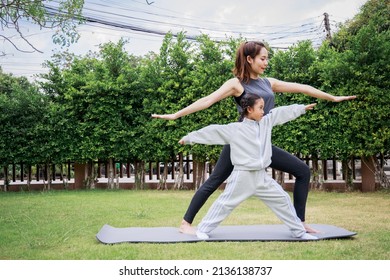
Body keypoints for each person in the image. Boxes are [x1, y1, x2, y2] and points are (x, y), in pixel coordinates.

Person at [152, 41, 356, 234]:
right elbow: (208, 100)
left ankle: (300, 223)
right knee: (215, 180)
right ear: (249, 59)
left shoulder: (269, 83)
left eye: (267, 59)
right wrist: (176, 115)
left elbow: (301, 87)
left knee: (302, 171)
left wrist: (332, 97)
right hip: (242, 142)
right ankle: (185, 223)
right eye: (263, 59)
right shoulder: (236, 84)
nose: (266, 63)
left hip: (261, 144)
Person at [179, 93, 318, 240]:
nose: (263, 111)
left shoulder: (266, 122)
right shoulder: (236, 129)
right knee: (224, 204)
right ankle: (203, 229)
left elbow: (280, 113)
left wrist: (301, 108)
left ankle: (299, 232)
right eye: (260, 108)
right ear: (249, 110)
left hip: (261, 177)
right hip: (242, 177)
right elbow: (212, 131)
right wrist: (189, 138)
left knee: (283, 200)